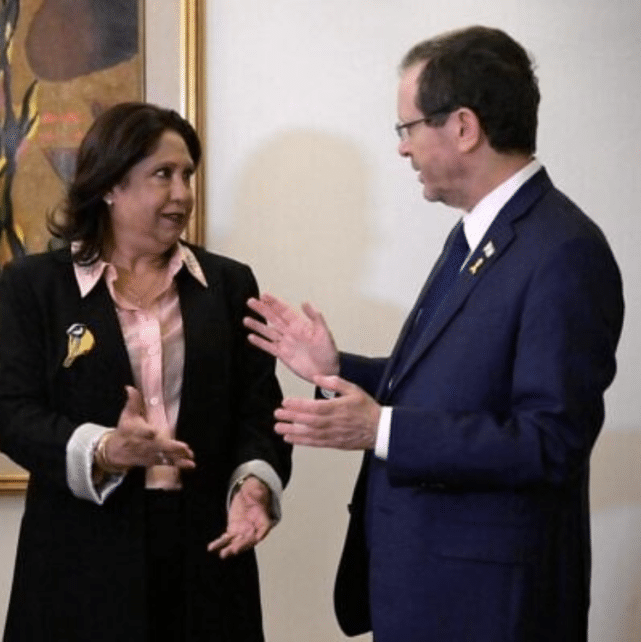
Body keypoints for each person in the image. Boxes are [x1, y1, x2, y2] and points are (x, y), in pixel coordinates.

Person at [245, 26, 623, 642]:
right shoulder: (474, 234)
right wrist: (336, 366)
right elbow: (453, 384)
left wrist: (381, 429)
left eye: (408, 128)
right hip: (425, 591)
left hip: (491, 609)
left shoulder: (564, 252)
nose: (401, 149)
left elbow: (550, 439)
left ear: (464, 127)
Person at [0, 102, 292, 642]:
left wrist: (253, 486)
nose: (182, 193)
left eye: (187, 175)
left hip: (207, 552)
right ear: (110, 185)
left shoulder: (228, 285)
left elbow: (259, 413)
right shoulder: (36, 286)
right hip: (80, 556)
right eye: (162, 175)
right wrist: (106, 449)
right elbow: (15, 418)